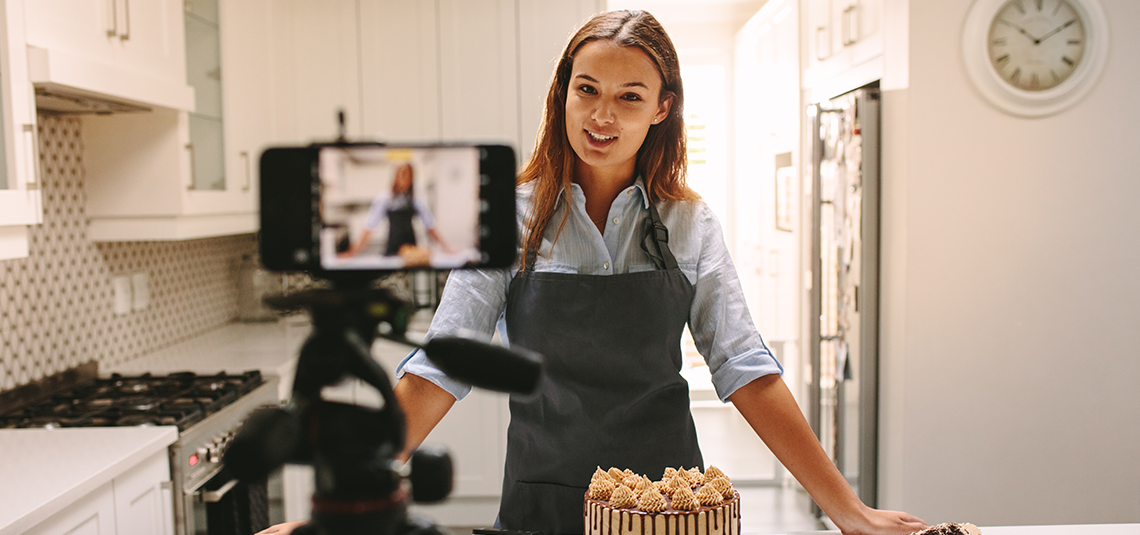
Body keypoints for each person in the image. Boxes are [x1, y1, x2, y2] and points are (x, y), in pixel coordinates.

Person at [260, 10, 927, 535]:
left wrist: (848, 510)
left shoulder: (689, 224)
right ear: (564, 92)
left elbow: (746, 366)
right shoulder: (509, 219)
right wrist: (343, 509)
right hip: (541, 504)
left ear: (662, 107)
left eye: (629, 96)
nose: (602, 116)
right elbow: (441, 365)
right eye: (588, 90)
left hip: (670, 508)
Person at [337, 162, 450, 258]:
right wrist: (352, 252)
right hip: (392, 248)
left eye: (408, 175)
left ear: (412, 178)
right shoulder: (385, 198)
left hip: (411, 250)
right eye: (402, 175)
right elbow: (370, 226)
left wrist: (446, 249)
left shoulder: (416, 199)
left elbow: (430, 225)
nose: (405, 179)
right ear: (396, 177)